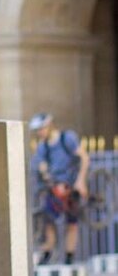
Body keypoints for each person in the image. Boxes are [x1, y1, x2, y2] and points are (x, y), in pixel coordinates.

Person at [29, 112, 89, 265]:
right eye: (37, 130)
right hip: (55, 186)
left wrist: (80, 181)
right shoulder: (43, 147)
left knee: (72, 222)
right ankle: (47, 251)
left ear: (49, 126)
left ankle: (69, 255)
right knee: (48, 218)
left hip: (72, 184)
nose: (39, 133)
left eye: (41, 129)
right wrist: (45, 174)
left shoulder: (66, 138)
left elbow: (84, 157)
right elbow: (41, 165)